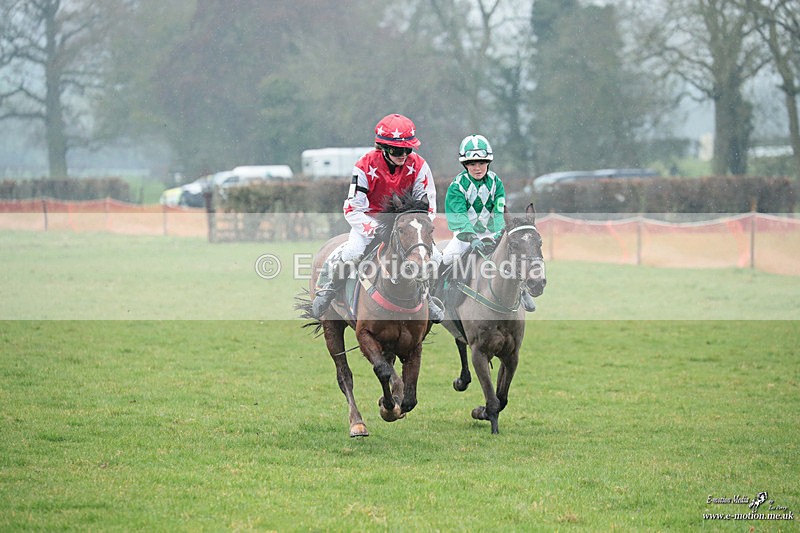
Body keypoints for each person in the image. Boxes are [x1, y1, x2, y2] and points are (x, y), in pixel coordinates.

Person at [311, 113, 445, 321]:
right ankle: (329, 289)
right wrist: (376, 229)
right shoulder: (364, 166)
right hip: (369, 221)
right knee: (353, 250)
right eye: (396, 150)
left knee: (435, 257)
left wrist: (414, 226)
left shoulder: (419, 165)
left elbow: (428, 206)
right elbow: (353, 208)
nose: (403, 154)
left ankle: (427, 298)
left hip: (407, 226)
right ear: (382, 148)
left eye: (407, 149)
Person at [440, 134, 537, 312]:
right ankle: (435, 295)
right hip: (465, 235)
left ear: (488, 162)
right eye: (472, 164)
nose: (477, 168)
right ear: (465, 164)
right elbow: (459, 217)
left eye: (482, 163)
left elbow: (499, 211)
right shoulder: (457, 186)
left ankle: (522, 290)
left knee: (511, 256)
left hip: (492, 232)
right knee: (445, 258)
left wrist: (497, 234)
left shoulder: (495, 182)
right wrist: (472, 238)